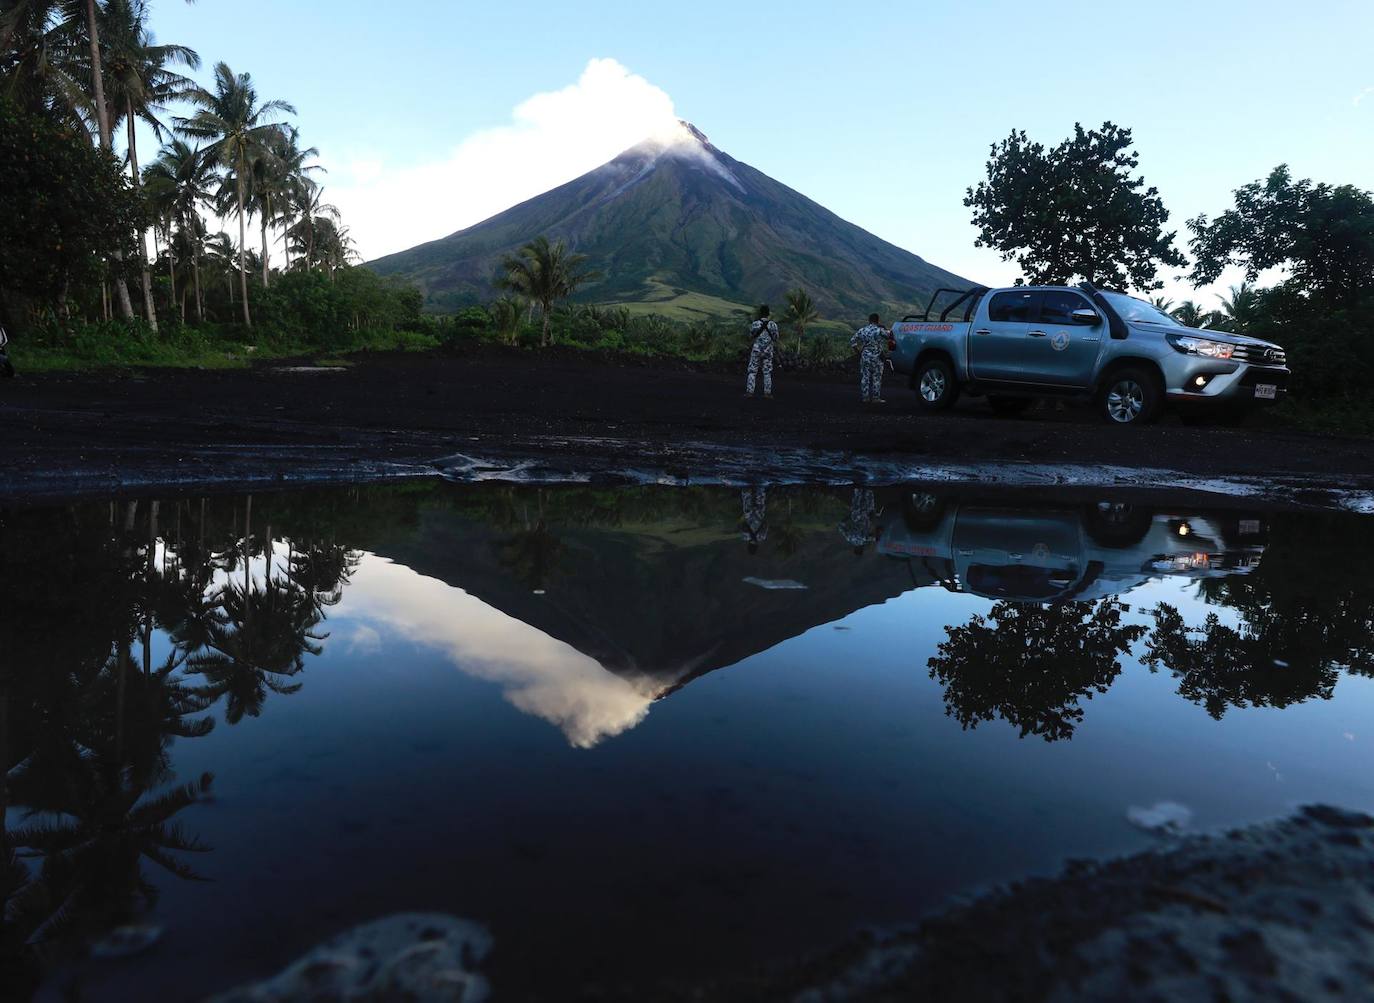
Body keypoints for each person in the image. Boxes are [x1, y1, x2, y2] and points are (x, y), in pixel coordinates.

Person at [849, 313, 890, 404]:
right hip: (877, 358)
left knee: (865, 377)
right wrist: (885, 328)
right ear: (878, 320)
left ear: (869, 320)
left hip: (865, 356)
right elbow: (890, 336)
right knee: (877, 377)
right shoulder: (879, 330)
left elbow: (852, 341)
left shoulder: (862, 330)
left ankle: (865, 397)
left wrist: (858, 352)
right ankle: (876, 398)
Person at [745, 305, 779, 399]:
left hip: (756, 350)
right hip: (768, 351)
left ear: (760, 313)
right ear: (768, 314)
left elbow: (751, 335)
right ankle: (767, 393)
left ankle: (750, 392)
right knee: (767, 372)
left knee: (752, 371)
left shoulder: (755, 324)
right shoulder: (773, 325)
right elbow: (776, 338)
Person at [837, 487, 881, 555]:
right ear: (854, 548)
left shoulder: (863, 540)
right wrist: (849, 517)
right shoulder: (849, 538)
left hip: (866, 513)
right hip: (856, 514)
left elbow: (873, 538)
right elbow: (840, 525)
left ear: (860, 549)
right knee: (858, 492)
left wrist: (878, 537)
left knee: (869, 490)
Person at [740, 485, 768, 554]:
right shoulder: (745, 536)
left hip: (759, 514)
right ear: (748, 546)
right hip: (748, 514)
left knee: (760, 493)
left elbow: (766, 524)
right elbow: (742, 525)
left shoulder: (762, 537)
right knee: (747, 495)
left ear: (756, 547)